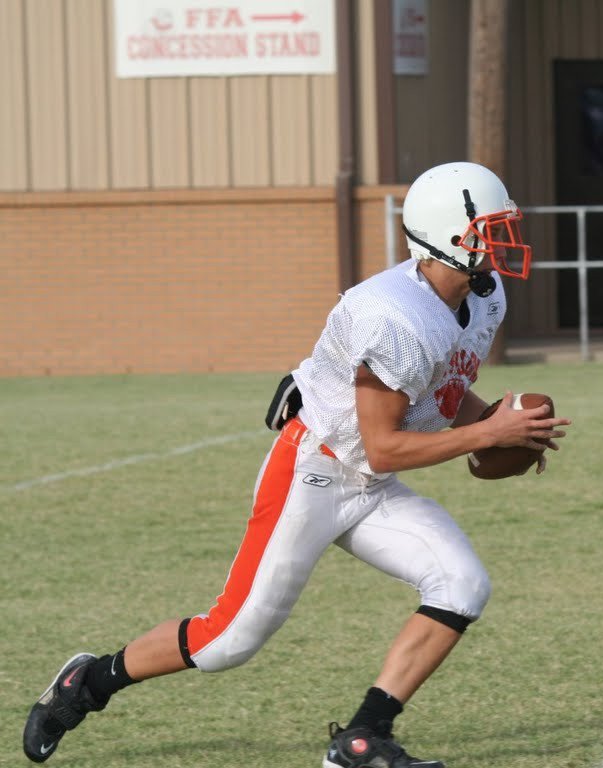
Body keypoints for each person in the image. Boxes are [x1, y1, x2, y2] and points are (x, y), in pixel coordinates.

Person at [22, 161, 571, 767]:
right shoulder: (397, 316)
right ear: (448, 235)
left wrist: (499, 426)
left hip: (372, 479)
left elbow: (442, 391)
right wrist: (487, 432)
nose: (505, 242)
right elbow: (385, 442)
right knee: (228, 640)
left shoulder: (482, 296)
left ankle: (363, 738)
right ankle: (90, 683)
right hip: (316, 470)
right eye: (491, 229)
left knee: (463, 584)